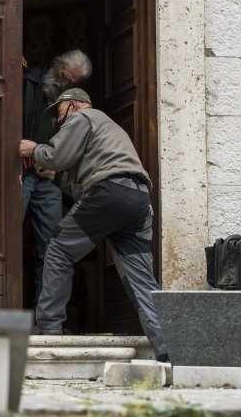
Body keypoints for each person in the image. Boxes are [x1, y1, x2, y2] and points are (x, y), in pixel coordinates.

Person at [18, 88, 168, 362]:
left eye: (59, 113)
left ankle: (49, 328)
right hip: (137, 200)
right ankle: (169, 348)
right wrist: (55, 175)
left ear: (73, 105)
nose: (58, 121)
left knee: (58, 249)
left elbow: (57, 157)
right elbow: (82, 177)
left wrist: (34, 149)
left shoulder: (83, 118)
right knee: (141, 280)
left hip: (108, 193)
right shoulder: (107, 128)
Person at [22, 49, 92, 304]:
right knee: (4, 236)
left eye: (71, 82)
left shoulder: (73, 103)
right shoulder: (24, 80)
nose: (64, 84)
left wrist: (55, 168)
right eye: (62, 77)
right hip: (18, 172)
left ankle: (47, 319)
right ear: (55, 64)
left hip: (48, 179)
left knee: (51, 247)